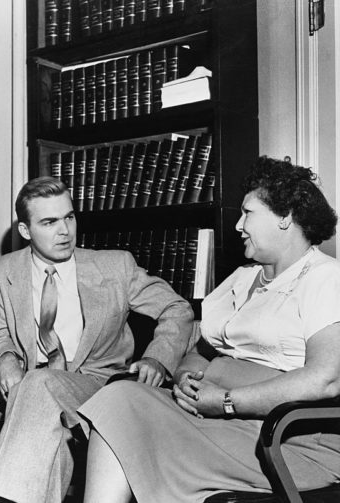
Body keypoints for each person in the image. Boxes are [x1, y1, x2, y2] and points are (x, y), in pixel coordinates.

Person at [79, 156, 340, 503]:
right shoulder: (243, 278)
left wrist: (227, 402)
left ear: (285, 218)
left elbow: (326, 378)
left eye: (248, 213)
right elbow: (201, 352)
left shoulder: (325, 278)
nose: (238, 226)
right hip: (223, 420)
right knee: (119, 398)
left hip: (285, 439)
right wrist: (187, 377)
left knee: (122, 413)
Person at [0, 176, 194, 503]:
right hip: (29, 405)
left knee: (38, 384)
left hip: (98, 391)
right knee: (52, 443)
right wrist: (5, 359)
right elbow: (1, 334)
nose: (64, 230)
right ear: (25, 231)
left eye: (69, 217)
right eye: (49, 222)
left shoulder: (115, 265)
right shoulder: (3, 272)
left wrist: (157, 358)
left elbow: (177, 308)